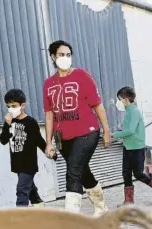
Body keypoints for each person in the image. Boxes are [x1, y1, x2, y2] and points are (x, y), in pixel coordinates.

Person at [43, 40, 111, 216]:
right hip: (64, 137)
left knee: (72, 172)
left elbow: (98, 105)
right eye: (60, 54)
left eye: (68, 54)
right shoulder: (48, 84)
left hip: (87, 132)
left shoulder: (82, 75)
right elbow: (49, 114)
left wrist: (106, 130)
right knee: (82, 171)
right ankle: (101, 207)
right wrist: (48, 142)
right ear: (53, 56)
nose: (65, 58)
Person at [0, 89, 49, 208]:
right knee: (30, 188)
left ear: (23, 105)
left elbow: (39, 140)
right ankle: (38, 204)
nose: (11, 109)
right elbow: (3, 140)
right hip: (17, 163)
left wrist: (49, 151)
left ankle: (21, 218)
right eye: (8, 106)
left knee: (21, 190)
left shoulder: (31, 122)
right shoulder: (9, 121)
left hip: (29, 164)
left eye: (14, 105)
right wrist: (7, 124)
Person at [113, 86, 152, 205]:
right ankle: (128, 200)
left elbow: (130, 130)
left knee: (138, 173)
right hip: (127, 147)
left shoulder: (134, 111)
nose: (118, 102)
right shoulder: (128, 111)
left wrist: (114, 134)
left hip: (136, 148)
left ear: (125, 99)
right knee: (126, 173)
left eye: (119, 99)